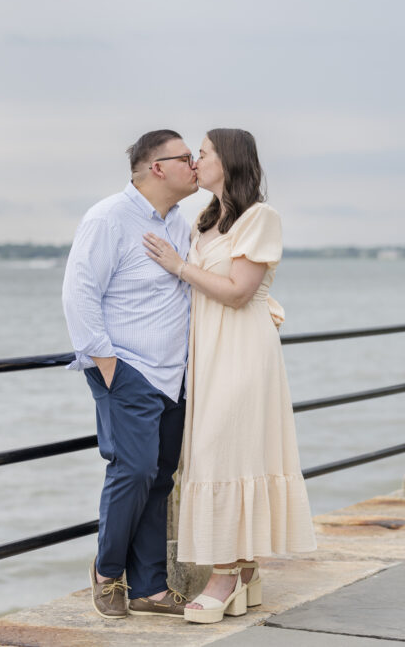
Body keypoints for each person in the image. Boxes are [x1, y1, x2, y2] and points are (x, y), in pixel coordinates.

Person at [143, 128, 317, 624]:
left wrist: (178, 266)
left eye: (203, 153)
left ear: (229, 161)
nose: (195, 161)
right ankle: (244, 572)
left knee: (225, 448)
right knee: (218, 450)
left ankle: (224, 575)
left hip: (242, 351)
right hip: (211, 351)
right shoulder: (206, 220)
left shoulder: (260, 217)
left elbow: (240, 290)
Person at [62, 129, 198, 619]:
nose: (196, 164)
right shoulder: (107, 218)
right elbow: (79, 293)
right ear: (157, 167)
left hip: (174, 374)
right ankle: (106, 572)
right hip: (127, 369)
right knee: (134, 469)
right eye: (186, 157)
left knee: (161, 478)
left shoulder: (182, 221)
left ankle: (150, 588)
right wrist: (105, 362)